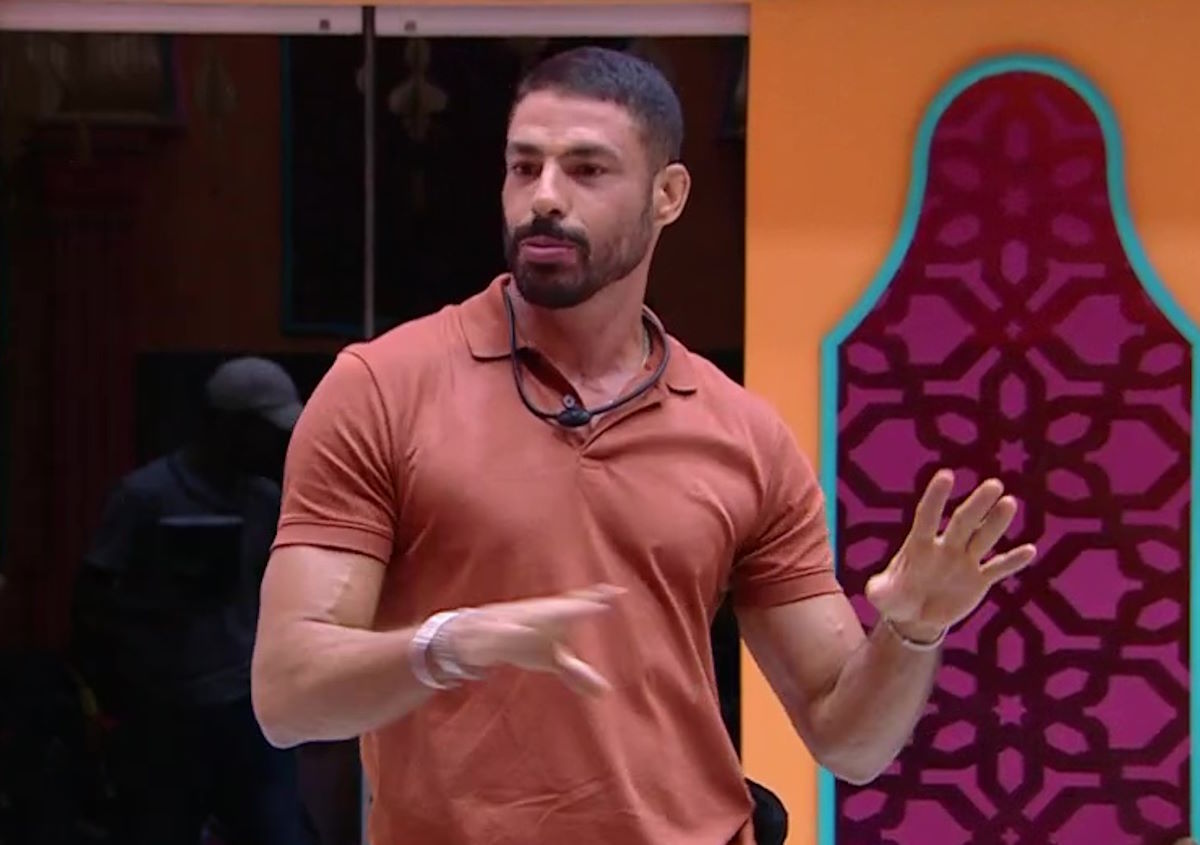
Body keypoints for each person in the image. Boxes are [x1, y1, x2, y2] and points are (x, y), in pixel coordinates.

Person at [251, 47, 1038, 845]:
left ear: (668, 194)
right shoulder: (383, 389)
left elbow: (852, 742)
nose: (544, 197)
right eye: (524, 167)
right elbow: (287, 695)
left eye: (587, 169)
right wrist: (447, 644)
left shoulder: (742, 434)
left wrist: (911, 632)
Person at [74, 356, 312, 845]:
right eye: (265, 431)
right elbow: (92, 596)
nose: (276, 443)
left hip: (250, 705)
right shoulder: (145, 496)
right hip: (166, 709)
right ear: (229, 425)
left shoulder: (265, 499)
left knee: (276, 831)